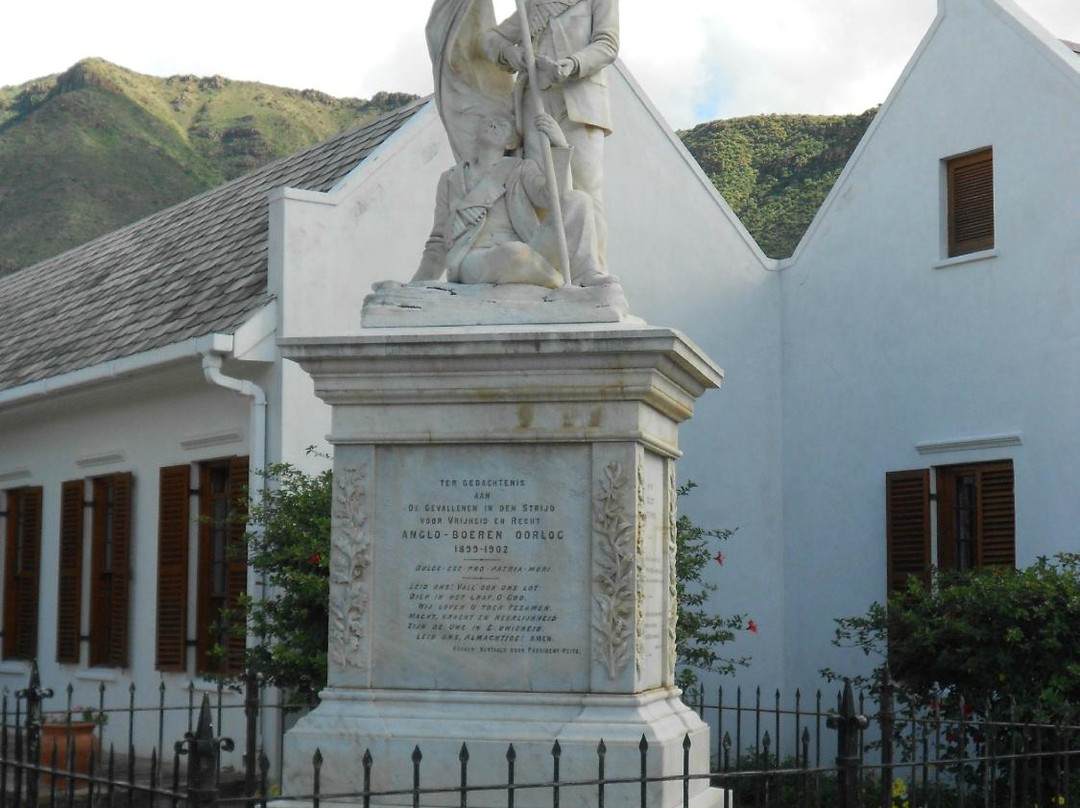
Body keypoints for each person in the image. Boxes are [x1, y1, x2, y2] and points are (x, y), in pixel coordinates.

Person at [480, 0, 619, 270]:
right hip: (536, 101)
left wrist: (572, 64)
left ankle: (593, 272)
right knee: (545, 191)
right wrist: (510, 53)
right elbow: (489, 40)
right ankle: (549, 273)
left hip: (581, 101)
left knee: (585, 190)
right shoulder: (531, 4)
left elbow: (607, 43)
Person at [412, 110, 602, 287]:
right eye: (488, 122)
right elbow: (438, 240)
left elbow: (554, 199)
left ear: (510, 143)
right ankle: (558, 283)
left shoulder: (520, 169)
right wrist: (416, 286)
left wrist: (559, 146)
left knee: (579, 200)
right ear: (476, 133)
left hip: (527, 249)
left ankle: (585, 276)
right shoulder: (451, 179)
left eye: (502, 125)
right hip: (473, 259)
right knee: (514, 254)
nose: (493, 125)